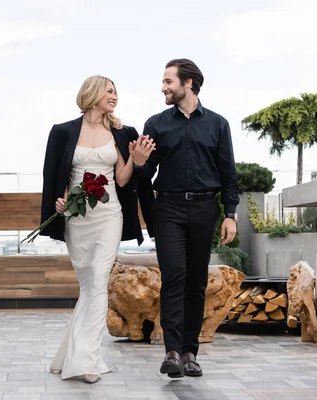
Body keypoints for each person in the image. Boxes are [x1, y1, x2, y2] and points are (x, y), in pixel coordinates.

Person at [39, 75, 155, 384]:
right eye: (109, 90)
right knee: (89, 285)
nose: (114, 96)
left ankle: (86, 362)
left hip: (109, 216)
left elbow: (121, 179)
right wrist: (60, 200)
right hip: (78, 219)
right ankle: (67, 356)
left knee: (99, 282)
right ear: (92, 94)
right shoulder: (62, 132)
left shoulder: (122, 131)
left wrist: (137, 160)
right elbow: (56, 175)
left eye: (116, 91)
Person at [133, 59, 239, 378]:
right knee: (175, 275)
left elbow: (228, 172)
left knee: (196, 282)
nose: (163, 87)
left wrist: (230, 214)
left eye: (168, 81)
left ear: (188, 83)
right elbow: (145, 175)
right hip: (169, 209)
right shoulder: (156, 124)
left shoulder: (218, 124)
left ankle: (191, 353)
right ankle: (172, 352)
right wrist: (139, 164)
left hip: (206, 209)